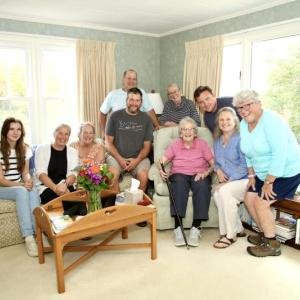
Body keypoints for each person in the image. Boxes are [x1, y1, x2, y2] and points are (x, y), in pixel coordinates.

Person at [233, 89, 300, 257]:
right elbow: (247, 151)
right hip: (263, 173)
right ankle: (265, 233)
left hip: (286, 171)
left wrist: (269, 182)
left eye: (247, 105)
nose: (244, 110)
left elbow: (280, 154)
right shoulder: (243, 124)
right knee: (249, 199)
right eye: (240, 108)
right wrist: (251, 175)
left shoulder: (272, 121)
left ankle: (272, 244)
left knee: (261, 203)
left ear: (259, 103)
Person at [159, 117, 214, 247]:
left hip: (199, 173)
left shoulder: (202, 144)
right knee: (178, 184)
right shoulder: (175, 145)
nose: (187, 132)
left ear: (195, 132)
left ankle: (196, 228)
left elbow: (212, 164)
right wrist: (161, 170)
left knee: (202, 185)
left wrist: (206, 173)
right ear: (180, 133)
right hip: (179, 173)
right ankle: (178, 228)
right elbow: (162, 161)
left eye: (190, 129)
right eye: (184, 129)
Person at [0, 117, 40, 257]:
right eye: (11, 129)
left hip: (18, 184)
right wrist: (22, 185)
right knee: (22, 191)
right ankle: (28, 236)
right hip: (3, 187)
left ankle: (39, 232)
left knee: (33, 188)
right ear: (5, 131)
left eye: (18, 129)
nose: (15, 132)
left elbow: (25, 172)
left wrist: (28, 181)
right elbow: (1, 180)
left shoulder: (25, 148)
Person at [212, 107, 248, 249]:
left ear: (235, 121)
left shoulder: (241, 138)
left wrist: (229, 181)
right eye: (221, 119)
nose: (224, 122)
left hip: (245, 180)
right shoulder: (217, 140)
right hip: (228, 181)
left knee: (224, 191)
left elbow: (245, 165)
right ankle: (237, 229)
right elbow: (215, 162)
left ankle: (230, 235)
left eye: (228, 119)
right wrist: (218, 170)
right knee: (217, 194)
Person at [105, 87, 153, 193]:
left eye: (137, 100)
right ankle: (117, 206)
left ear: (141, 102)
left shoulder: (147, 120)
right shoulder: (114, 116)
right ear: (126, 100)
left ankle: (135, 206)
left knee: (144, 177)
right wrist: (121, 160)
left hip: (138, 158)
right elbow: (108, 143)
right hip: (116, 157)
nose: (134, 103)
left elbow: (147, 147)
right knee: (112, 176)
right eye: (131, 99)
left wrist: (136, 161)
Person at [35, 124, 87, 216]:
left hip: (66, 185)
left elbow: (73, 173)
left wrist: (65, 185)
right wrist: (56, 188)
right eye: (60, 133)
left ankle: (69, 226)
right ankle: (62, 227)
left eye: (66, 134)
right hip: (48, 187)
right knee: (73, 205)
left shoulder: (73, 152)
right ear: (54, 134)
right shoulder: (42, 149)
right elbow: (40, 173)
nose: (63, 137)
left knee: (81, 206)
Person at [100, 69, 160, 138]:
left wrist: (157, 126)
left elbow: (150, 111)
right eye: (129, 78)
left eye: (134, 79)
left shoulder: (142, 92)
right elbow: (102, 113)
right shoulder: (112, 95)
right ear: (123, 80)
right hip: (118, 134)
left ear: (137, 81)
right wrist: (103, 132)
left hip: (138, 133)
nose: (131, 81)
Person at [70, 122, 118, 205]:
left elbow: (98, 167)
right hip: (79, 174)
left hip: (96, 172)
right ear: (79, 134)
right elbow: (70, 165)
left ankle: (111, 203)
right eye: (85, 132)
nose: (88, 135)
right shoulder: (72, 146)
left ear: (94, 135)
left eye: (91, 133)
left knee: (114, 171)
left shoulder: (99, 146)